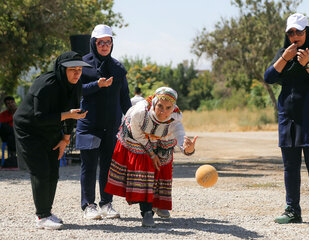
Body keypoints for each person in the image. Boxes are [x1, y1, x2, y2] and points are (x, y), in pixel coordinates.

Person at [264, 13, 309, 226]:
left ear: (307, 32)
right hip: (288, 117)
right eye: (291, 32)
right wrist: (285, 58)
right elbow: (269, 77)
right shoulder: (283, 53)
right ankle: (292, 210)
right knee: (290, 165)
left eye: (299, 32)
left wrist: (308, 64)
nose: (295, 35)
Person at [13, 51, 90, 230]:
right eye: (73, 69)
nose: (77, 73)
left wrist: (65, 139)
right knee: (41, 170)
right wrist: (67, 115)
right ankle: (41, 217)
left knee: (53, 171)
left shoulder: (76, 85)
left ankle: (46, 212)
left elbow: (73, 115)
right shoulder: (45, 84)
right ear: (62, 69)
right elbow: (39, 118)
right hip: (29, 129)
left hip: (51, 128)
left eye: (79, 69)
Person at [105, 87, 197, 227]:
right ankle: (147, 212)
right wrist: (151, 153)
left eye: (168, 108)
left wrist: (188, 149)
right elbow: (138, 135)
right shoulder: (140, 112)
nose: (163, 112)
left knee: (164, 161)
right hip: (137, 136)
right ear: (154, 103)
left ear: (173, 108)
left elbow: (180, 137)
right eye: (160, 106)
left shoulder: (175, 118)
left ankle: (160, 203)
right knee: (145, 165)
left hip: (160, 136)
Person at [76, 24, 132, 220]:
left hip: (111, 127)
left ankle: (106, 203)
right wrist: (96, 85)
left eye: (108, 42)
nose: (105, 46)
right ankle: (88, 205)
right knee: (89, 166)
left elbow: (125, 97)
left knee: (108, 167)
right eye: (101, 42)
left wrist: (132, 119)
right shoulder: (82, 64)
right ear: (94, 43)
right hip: (88, 125)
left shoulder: (117, 68)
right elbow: (76, 90)